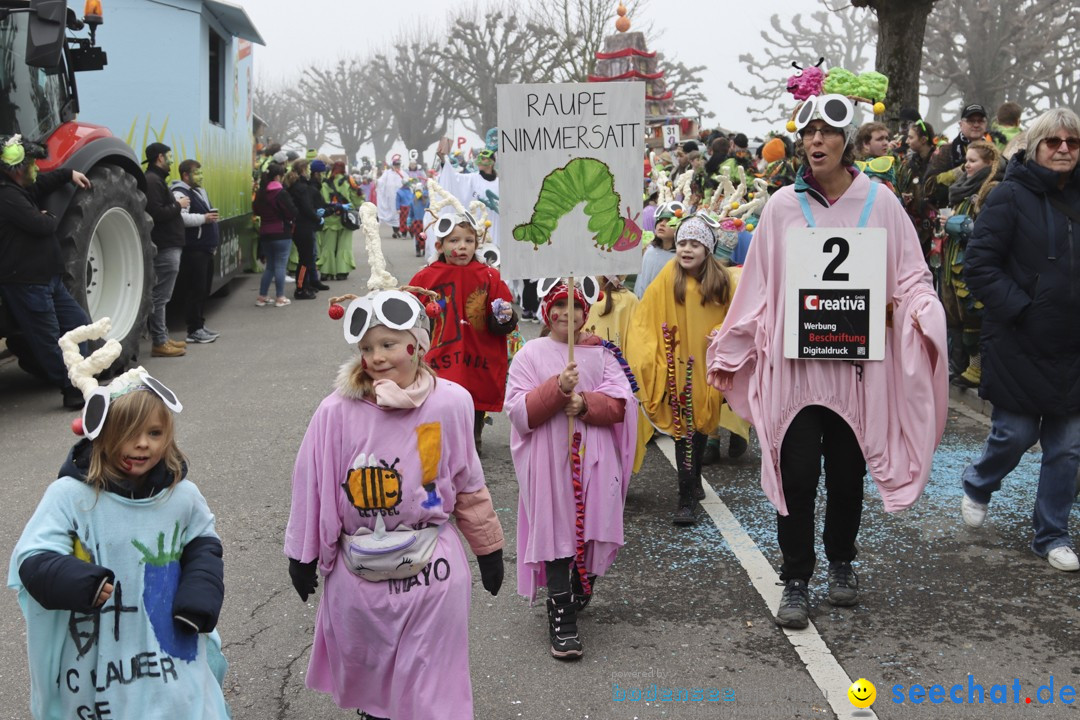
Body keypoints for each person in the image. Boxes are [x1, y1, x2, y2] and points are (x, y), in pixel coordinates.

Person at [706, 92, 948, 629]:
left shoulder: (880, 202)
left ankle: (841, 562)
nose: (816, 141)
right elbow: (760, 287)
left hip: (858, 371)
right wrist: (736, 339)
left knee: (846, 473)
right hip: (796, 371)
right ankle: (795, 577)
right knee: (795, 477)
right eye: (808, 133)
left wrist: (919, 309)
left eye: (827, 132)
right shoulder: (780, 207)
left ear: (847, 140)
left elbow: (910, 274)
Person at [285, 286, 504, 720]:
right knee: (376, 687)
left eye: (387, 344)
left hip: (434, 572)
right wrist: (302, 555)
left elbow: (467, 483)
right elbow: (312, 486)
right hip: (359, 575)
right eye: (367, 348)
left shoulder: (452, 403)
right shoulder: (335, 412)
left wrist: (488, 547)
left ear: (417, 345)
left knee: (432, 688)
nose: (377, 356)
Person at [9, 322, 228, 719]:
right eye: (128, 433)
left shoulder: (181, 496)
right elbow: (32, 559)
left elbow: (203, 546)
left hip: (171, 649)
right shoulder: (71, 497)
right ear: (102, 436)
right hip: (99, 660)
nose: (143, 444)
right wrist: (79, 582)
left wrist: (199, 596)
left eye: (155, 432)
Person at [961, 107, 1080, 572]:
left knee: (1068, 446)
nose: (1065, 149)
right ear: (1036, 148)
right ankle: (979, 482)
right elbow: (980, 266)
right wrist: (1023, 309)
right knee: (1015, 433)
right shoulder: (1009, 196)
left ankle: (1052, 533)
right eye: (1054, 142)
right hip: (1019, 339)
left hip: (1072, 344)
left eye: (1073, 141)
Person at [504, 280, 637, 660]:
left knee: (594, 524)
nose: (567, 313)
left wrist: (584, 403)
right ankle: (560, 610)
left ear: (585, 313)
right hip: (549, 458)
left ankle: (584, 578)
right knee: (556, 529)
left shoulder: (602, 355)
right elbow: (519, 412)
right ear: (546, 312)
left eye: (575, 306)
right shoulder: (530, 353)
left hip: (595, 456)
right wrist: (558, 388)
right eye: (558, 306)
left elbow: (619, 405)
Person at [626, 215, 741, 526]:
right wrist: (649, 356)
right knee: (683, 430)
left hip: (708, 364)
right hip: (676, 365)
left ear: (707, 248)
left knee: (702, 425)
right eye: (682, 243)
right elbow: (645, 316)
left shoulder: (723, 280)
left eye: (694, 244)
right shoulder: (669, 275)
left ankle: (694, 479)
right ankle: (685, 498)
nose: (686, 249)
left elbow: (737, 315)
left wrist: (722, 332)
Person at [408, 207, 517, 454]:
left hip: (478, 353)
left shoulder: (489, 276)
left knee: (473, 401)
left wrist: (504, 318)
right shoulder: (426, 277)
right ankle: (436, 451)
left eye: (469, 241)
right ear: (440, 245)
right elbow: (411, 314)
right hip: (439, 353)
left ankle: (471, 449)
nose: (462, 246)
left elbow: (501, 317)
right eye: (454, 240)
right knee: (436, 401)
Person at [0, 134, 92, 408]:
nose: (37, 168)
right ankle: (71, 389)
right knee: (49, 339)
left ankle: (80, 379)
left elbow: (42, 184)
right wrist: (48, 217)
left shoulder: (21, 190)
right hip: (27, 282)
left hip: (48, 279)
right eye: (32, 164)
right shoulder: (6, 196)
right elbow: (41, 226)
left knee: (78, 323)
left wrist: (67, 174)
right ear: (17, 168)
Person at [932, 140, 1002, 387]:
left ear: (990, 164)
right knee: (956, 316)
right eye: (966, 160)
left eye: (973, 161)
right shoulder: (962, 187)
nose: (967, 166)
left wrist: (966, 226)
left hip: (972, 262)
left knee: (974, 315)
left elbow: (991, 226)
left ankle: (978, 368)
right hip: (954, 262)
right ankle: (961, 365)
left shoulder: (992, 188)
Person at [143, 142, 189, 358]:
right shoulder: (152, 181)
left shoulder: (155, 179)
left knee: (162, 296)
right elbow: (156, 213)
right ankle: (160, 341)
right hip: (165, 244)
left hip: (169, 243)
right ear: (160, 157)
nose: (172, 161)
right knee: (161, 296)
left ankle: (163, 337)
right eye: (169, 156)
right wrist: (179, 205)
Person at [171, 160, 221, 344]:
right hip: (194, 250)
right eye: (197, 173)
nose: (201, 176)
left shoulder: (199, 191)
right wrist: (204, 218)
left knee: (203, 289)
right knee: (195, 289)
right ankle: (194, 330)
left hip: (205, 248)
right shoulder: (179, 192)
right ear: (186, 175)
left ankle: (199, 325)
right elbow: (181, 218)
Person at [253, 163, 296, 307]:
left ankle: (262, 296)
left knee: (270, 266)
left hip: (265, 233)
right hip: (281, 232)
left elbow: (256, 210)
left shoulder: (261, 193)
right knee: (280, 266)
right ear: (278, 176)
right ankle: (280, 297)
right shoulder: (281, 193)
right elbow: (291, 212)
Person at [896, 119, 939, 261]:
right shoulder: (909, 164)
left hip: (937, 227)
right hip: (917, 226)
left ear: (924, 140)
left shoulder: (939, 161)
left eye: (911, 137)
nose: (907, 141)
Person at [286, 159, 329, 300]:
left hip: (299, 226)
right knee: (305, 259)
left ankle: (306, 285)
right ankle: (300, 288)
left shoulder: (295, 186)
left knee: (307, 258)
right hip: (303, 226)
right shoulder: (301, 188)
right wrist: (317, 218)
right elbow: (307, 208)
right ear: (303, 170)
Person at [317, 160, 358, 281]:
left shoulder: (325, 183)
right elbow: (356, 198)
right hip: (345, 218)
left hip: (330, 218)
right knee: (344, 246)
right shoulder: (348, 182)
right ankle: (342, 271)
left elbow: (323, 201)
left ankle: (326, 271)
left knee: (328, 246)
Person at [634, 201, 681, 299]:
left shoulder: (680, 258)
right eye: (659, 221)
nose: (662, 224)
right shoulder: (649, 252)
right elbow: (640, 284)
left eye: (668, 221)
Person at [948, 103, 989, 167]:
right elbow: (931, 177)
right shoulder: (947, 150)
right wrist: (961, 170)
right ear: (961, 124)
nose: (976, 125)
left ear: (986, 124)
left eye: (980, 121)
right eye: (971, 121)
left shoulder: (992, 150)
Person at [375, 156, 406, 237]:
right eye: (395, 164)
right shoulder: (387, 173)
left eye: (398, 164)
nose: (397, 166)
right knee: (393, 213)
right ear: (392, 164)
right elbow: (381, 181)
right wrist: (377, 182)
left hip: (401, 198)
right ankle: (396, 231)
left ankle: (401, 230)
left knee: (401, 214)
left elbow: (408, 182)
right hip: (391, 198)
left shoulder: (403, 173)